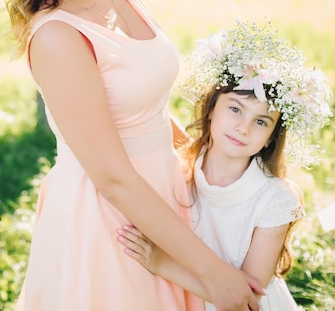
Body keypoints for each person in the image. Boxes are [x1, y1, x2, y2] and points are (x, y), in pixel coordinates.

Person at [0, 0, 264, 311]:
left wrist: (208, 169)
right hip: (113, 217)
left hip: (166, 194)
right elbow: (111, 177)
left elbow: (146, 104)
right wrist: (213, 272)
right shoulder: (57, 37)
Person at [117, 21, 333, 310]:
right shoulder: (186, 162)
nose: (243, 128)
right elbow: (150, 117)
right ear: (210, 110)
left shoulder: (275, 199)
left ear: (270, 138)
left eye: (261, 121)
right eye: (234, 109)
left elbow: (248, 298)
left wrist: (161, 263)